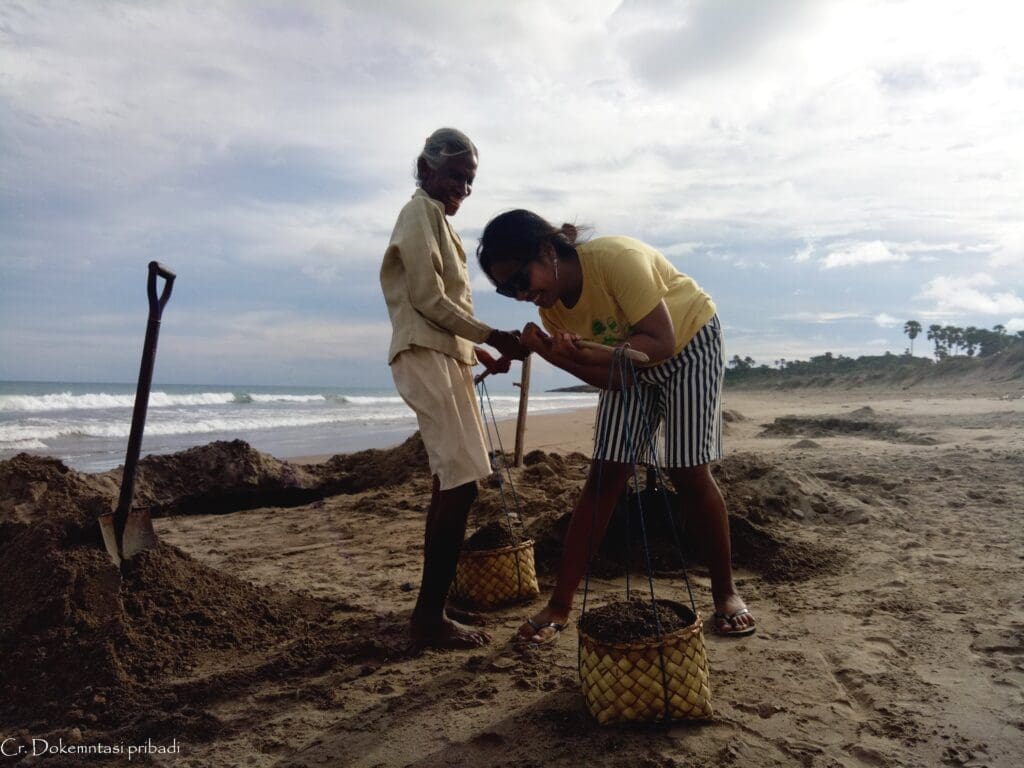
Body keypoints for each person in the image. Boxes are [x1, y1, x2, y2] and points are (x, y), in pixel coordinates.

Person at [477, 209, 756, 644]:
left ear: (548, 251)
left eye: (519, 278)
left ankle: (725, 593)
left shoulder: (616, 259)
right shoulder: (554, 313)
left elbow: (659, 342)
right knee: (605, 477)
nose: (518, 294)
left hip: (687, 342)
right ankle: (559, 605)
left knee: (687, 470)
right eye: (505, 290)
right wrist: (549, 350)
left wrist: (588, 353)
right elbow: (616, 378)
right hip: (629, 363)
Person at [380, 129, 526, 650]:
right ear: (427, 168)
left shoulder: (439, 221)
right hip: (423, 353)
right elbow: (427, 298)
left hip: (445, 355)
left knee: (453, 481)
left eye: (470, 180)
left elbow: (449, 313)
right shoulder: (418, 212)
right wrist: (493, 336)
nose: (463, 188)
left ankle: (432, 609)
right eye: (456, 176)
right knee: (460, 483)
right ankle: (427, 619)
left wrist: (476, 350)